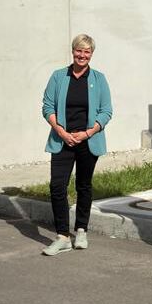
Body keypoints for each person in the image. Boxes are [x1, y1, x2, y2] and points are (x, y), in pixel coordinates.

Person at [41, 34, 112, 256]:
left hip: (87, 141)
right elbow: (47, 106)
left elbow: (106, 111)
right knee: (57, 187)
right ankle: (62, 236)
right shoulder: (58, 76)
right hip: (62, 140)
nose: (82, 55)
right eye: (78, 51)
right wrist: (61, 132)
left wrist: (87, 133)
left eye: (87, 52)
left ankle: (81, 229)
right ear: (73, 52)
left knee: (84, 185)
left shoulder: (99, 79)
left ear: (92, 54)